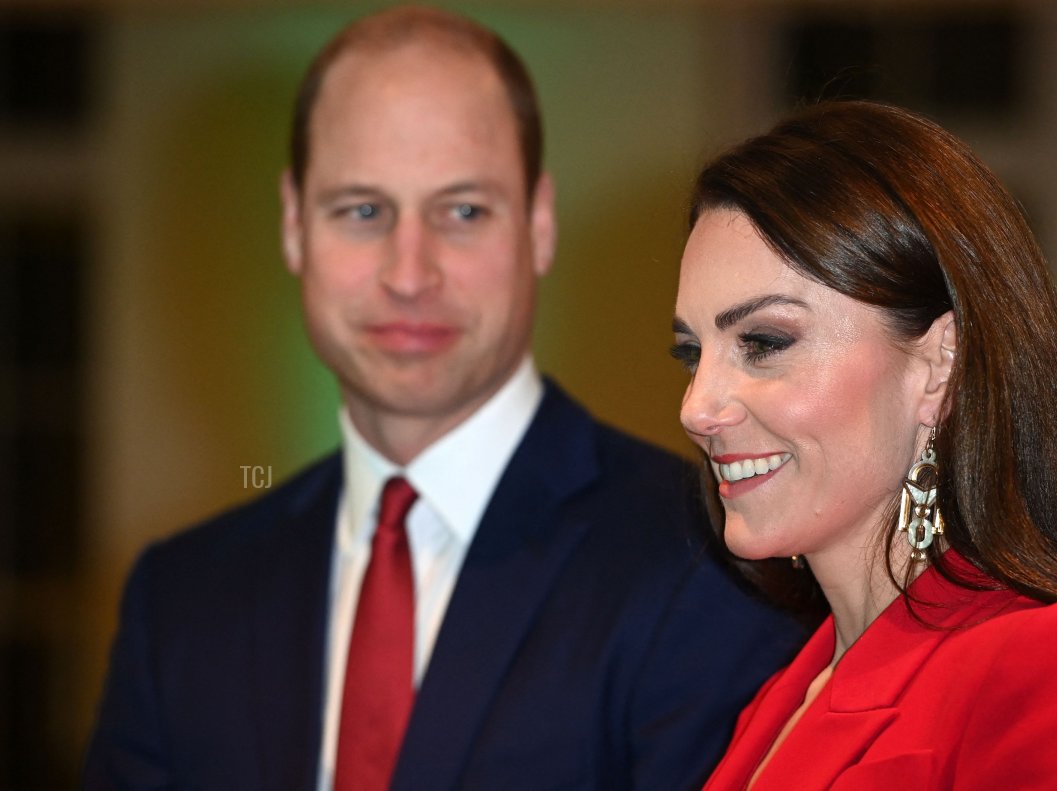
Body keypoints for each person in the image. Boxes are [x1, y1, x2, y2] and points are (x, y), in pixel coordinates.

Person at [83, 7, 803, 790]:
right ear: (293, 225)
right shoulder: (180, 598)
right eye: (363, 210)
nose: (410, 272)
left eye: (462, 211)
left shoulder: (707, 560)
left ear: (538, 223)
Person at [669, 100, 1057, 790]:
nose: (697, 407)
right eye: (691, 353)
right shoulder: (780, 700)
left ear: (937, 364)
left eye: (763, 343)